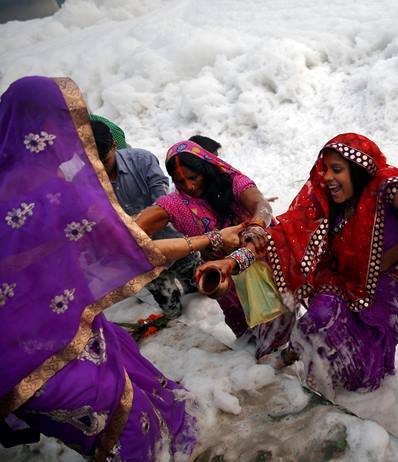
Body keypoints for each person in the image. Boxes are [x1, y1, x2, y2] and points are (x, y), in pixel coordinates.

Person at [0, 76, 242, 460]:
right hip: (43, 356)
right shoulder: (59, 193)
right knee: (127, 427)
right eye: (65, 123)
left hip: (45, 340)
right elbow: (135, 245)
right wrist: (212, 240)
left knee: (129, 371)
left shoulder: (34, 184)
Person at [196, 133, 398, 397]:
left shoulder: (386, 187)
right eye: (325, 169)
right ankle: (295, 362)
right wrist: (233, 261)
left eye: (337, 170)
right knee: (318, 320)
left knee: (364, 379)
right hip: (336, 280)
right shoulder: (322, 195)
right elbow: (280, 235)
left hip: (380, 291)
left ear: (359, 170)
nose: (327, 177)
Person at [135, 139, 273, 338]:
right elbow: (133, 234)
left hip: (260, 257)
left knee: (277, 315)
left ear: (206, 169)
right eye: (180, 181)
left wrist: (257, 226)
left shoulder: (232, 181)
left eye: (193, 177)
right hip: (223, 275)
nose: (189, 186)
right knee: (242, 322)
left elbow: (261, 204)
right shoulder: (175, 204)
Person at [90, 118, 200, 319]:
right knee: (171, 309)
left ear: (114, 146)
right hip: (142, 259)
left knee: (200, 293)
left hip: (174, 241)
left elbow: (163, 202)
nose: (101, 170)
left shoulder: (142, 160)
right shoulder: (86, 182)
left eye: (104, 161)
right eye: (94, 164)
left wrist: (138, 224)